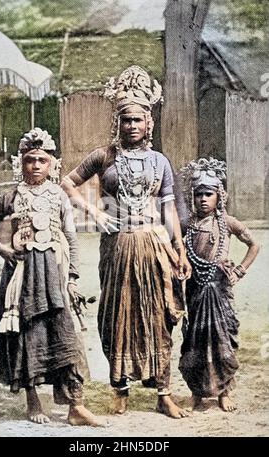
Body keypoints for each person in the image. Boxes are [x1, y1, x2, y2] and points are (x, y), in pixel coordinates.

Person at [61, 66, 192, 419]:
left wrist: (179, 249)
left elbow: (169, 211)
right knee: (117, 315)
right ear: (117, 122)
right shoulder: (104, 156)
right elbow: (67, 182)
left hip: (152, 245)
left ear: (149, 123)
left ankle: (163, 392)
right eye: (126, 119)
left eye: (138, 120)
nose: (132, 125)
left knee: (158, 316)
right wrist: (93, 211)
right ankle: (119, 389)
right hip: (117, 247)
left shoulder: (160, 161)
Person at [0, 128, 104, 426]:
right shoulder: (9, 197)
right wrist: (2, 248)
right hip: (22, 279)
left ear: (53, 164)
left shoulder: (60, 197)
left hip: (55, 275)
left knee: (66, 335)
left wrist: (72, 278)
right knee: (28, 334)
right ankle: (33, 401)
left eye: (42, 160)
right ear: (20, 163)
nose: (36, 165)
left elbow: (72, 239)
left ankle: (76, 406)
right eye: (29, 160)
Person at [178, 157, 260, 412]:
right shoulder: (187, 225)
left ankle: (224, 391)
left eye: (209, 194)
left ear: (219, 196)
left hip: (220, 291)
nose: (203, 199)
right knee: (195, 343)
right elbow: (174, 248)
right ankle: (198, 392)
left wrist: (240, 270)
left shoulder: (227, 223)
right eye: (199, 194)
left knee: (222, 343)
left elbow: (254, 244)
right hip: (195, 290)